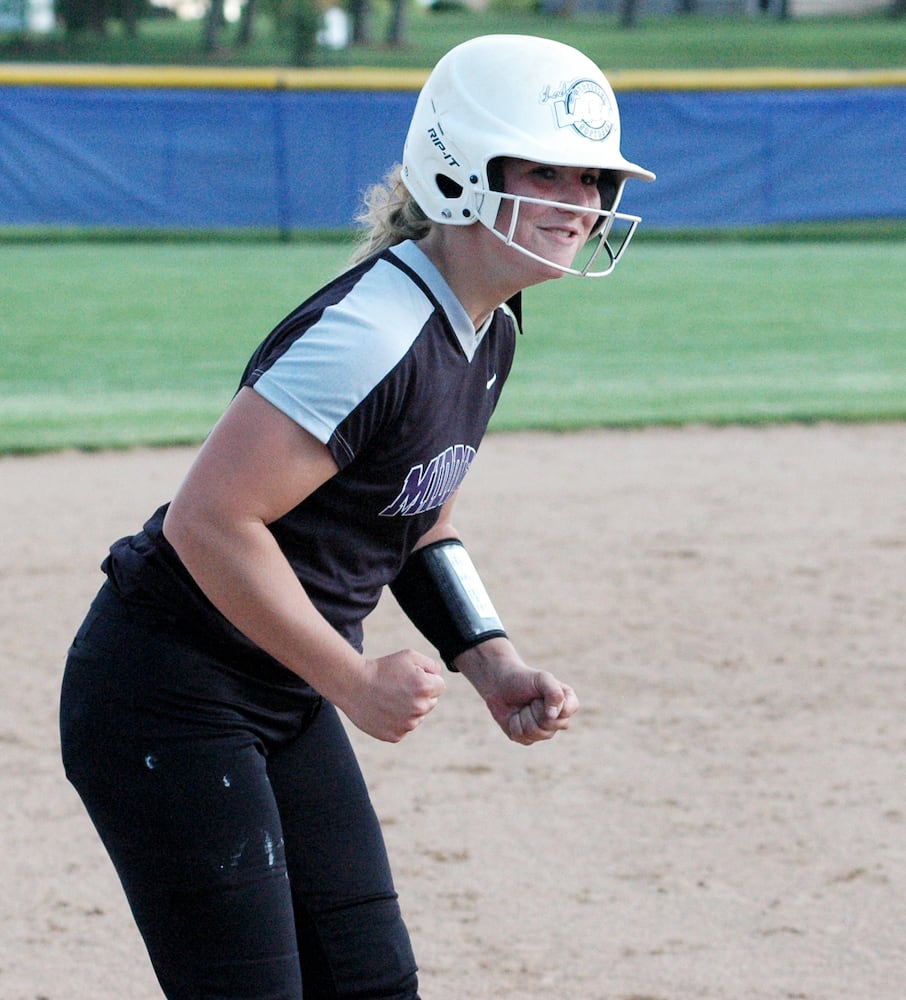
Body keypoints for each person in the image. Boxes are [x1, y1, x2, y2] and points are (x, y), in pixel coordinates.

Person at [60, 33, 655, 1000]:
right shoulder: (375, 332)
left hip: (277, 685)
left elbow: (419, 521)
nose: (580, 205)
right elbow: (209, 523)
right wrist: (352, 680)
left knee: (370, 981)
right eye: (547, 173)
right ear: (461, 172)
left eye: (592, 181)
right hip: (165, 690)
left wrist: (490, 659)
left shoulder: (490, 324)